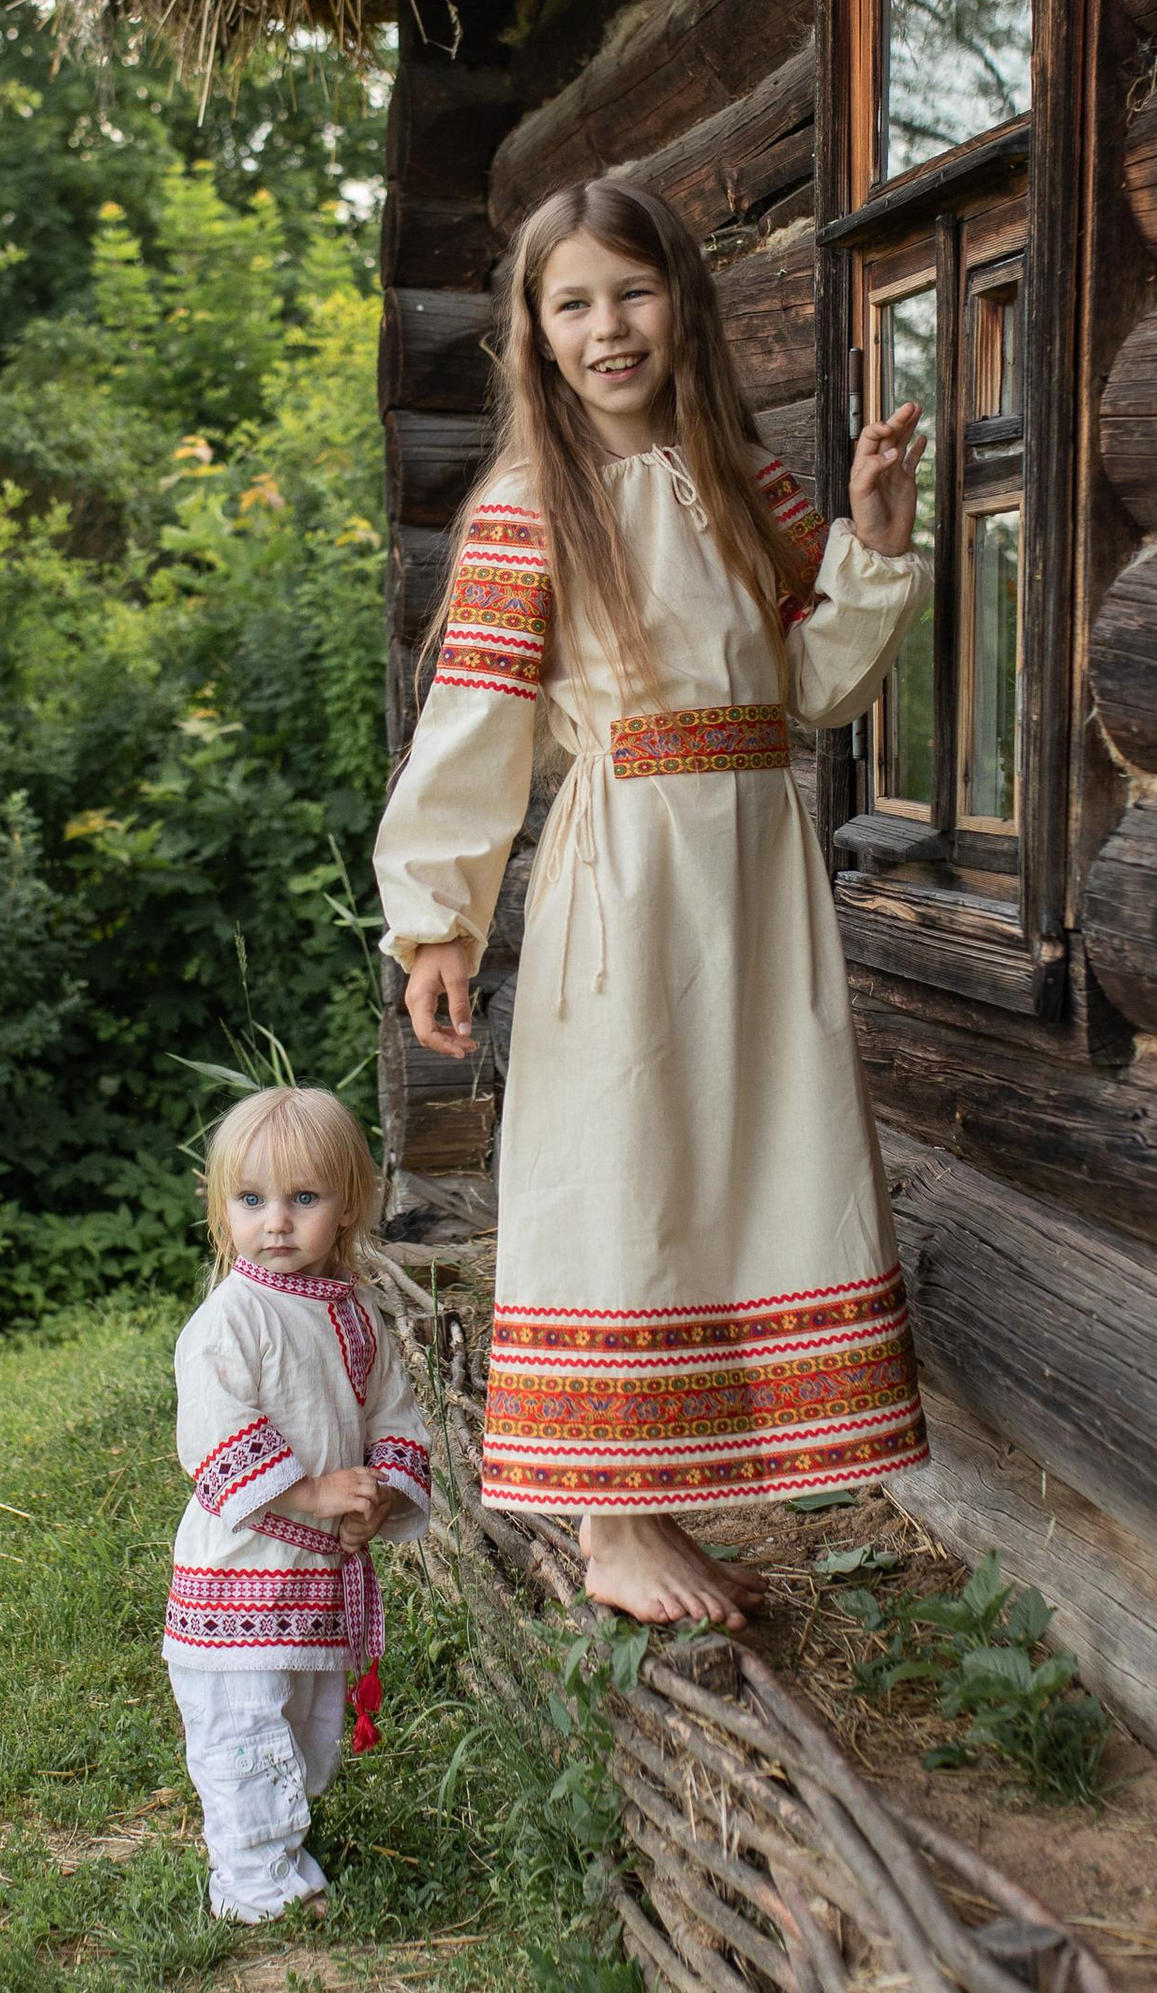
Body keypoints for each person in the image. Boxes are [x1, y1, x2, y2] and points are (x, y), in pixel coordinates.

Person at [374, 174, 930, 1634]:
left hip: (758, 867)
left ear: (680, 298)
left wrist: (871, 542)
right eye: (573, 304)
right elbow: (477, 718)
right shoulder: (531, 508)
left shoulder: (750, 482)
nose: (608, 328)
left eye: (632, 291)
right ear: (534, 333)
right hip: (626, 870)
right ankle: (612, 1520)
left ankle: (686, 1471)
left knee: (749, 1153)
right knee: (621, 1149)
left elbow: (812, 689)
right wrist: (438, 913)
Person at [165, 1083, 434, 1923]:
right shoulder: (230, 1322)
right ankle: (252, 1879)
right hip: (238, 1579)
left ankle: (284, 1838)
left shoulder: (356, 1315)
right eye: (251, 1200)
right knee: (244, 1730)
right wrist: (314, 1489)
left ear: (348, 1204)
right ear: (224, 1208)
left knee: (308, 1725)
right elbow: (214, 1434)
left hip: (312, 1581)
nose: (275, 1222)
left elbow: (394, 1412)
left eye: (303, 1199)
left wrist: (383, 1491)